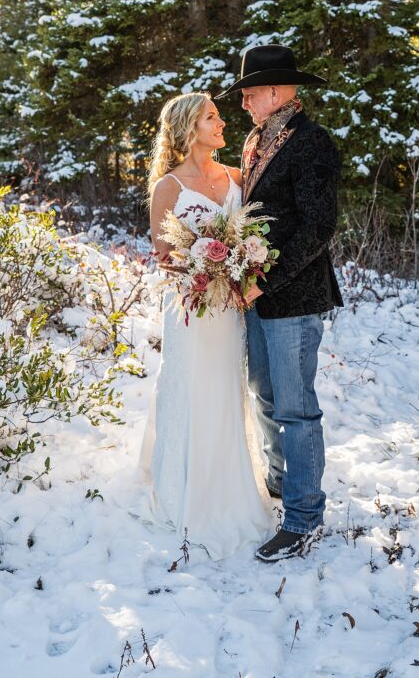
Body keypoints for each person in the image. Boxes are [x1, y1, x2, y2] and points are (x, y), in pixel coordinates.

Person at [217, 43, 343, 562]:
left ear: (275, 91)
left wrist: (267, 281)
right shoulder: (256, 140)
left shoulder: (313, 143)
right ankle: (279, 485)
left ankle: (304, 517)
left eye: (248, 94)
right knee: (264, 397)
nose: (243, 104)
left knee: (296, 410)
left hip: (293, 296)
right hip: (256, 296)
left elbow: (318, 228)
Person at [138, 91, 272, 559]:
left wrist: (237, 265)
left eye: (217, 116)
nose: (221, 123)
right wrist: (203, 269)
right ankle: (184, 490)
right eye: (211, 117)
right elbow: (163, 258)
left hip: (230, 312)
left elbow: (254, 235)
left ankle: (227, 486)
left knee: (226, 393)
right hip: (192, 312)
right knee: (191, 390)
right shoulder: (168, 188)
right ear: (188, 128)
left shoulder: (238, 177)